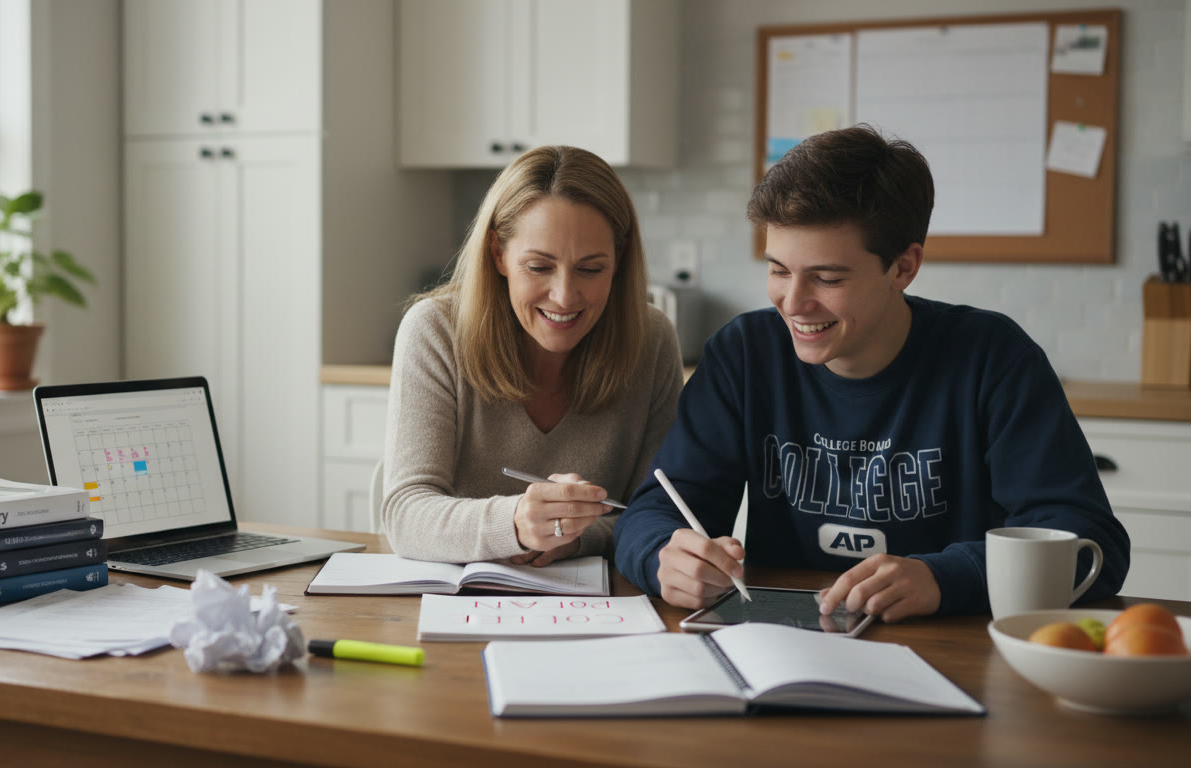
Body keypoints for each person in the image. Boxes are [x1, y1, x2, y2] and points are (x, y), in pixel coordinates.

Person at [613, 124, 1129, 619]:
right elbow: (652, 513)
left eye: (827, 277)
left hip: (954, 654)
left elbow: (1089, 542)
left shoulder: (993, 359)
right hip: (785, 643)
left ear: (903, 267)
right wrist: (663, 556)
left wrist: (946, 578)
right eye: (778, 270)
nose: (793, 303)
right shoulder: (744, 354)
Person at [382, 145, 683, 566]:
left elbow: (650, 514)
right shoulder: (434, 331)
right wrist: (518, 525)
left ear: (620, 259)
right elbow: (405, 514)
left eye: (591, 269)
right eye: (539, 267)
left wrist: (574, 537)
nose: (564, 296)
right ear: (497, 253)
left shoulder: (652, 341)